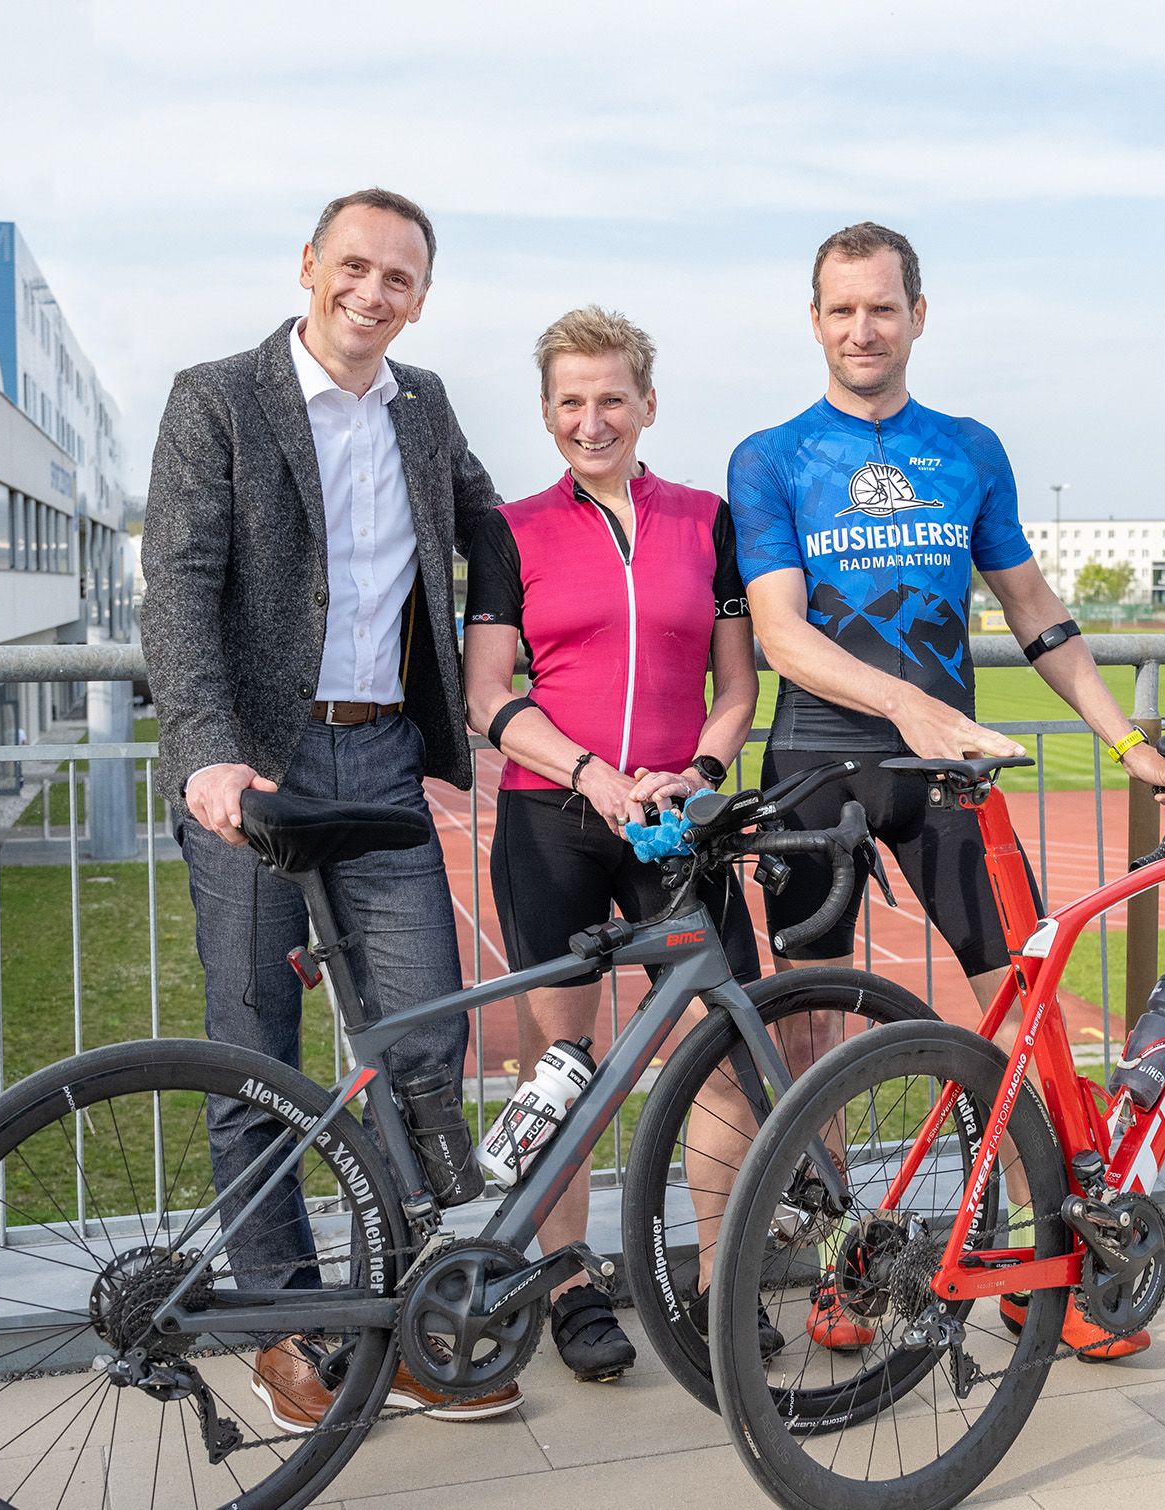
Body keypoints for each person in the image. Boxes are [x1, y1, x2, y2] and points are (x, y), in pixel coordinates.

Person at [728, 221, 1165, 1361]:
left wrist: (1123, 738)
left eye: (881, 307)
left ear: (916, 315)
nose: (861, 328)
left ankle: (1045, 1268)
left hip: (947, 773)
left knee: (1020, 1002)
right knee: (814, 1038)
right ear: (813, 320)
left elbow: (1036, 610)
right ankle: (845, 1270)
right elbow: (783, 638)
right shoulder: (770, 456)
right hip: (817, 766)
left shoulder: (968, 447)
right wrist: (903, 706)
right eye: (840, 309)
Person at [140, 188, 520, 1429]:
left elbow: (491, 532)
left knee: (421, 1039)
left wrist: (483, 658)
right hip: (260, 764)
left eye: (399, 278)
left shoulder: (424, 407)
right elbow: (180, 587)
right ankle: (283, 1328)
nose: (372, 293)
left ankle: (397, 1315)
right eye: (352, 266)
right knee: (256, 1059)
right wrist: (203, 753)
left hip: (385, 762)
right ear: (308, 265)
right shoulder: (217, 397)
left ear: (420, 295)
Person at [462, 306, 762, 1382]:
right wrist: (590, 773)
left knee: (725, 1057)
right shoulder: (508, 527)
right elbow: (487, 694)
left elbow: (736, 685)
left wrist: (701, 773)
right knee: (565, 1068)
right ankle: (570, 1285)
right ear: (546, 413)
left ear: (645, 404)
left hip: (678, 825)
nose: (591, 420)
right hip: (556, 822)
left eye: (610, 399)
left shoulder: (706, 518)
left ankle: (717, 1281)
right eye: (569, 402)